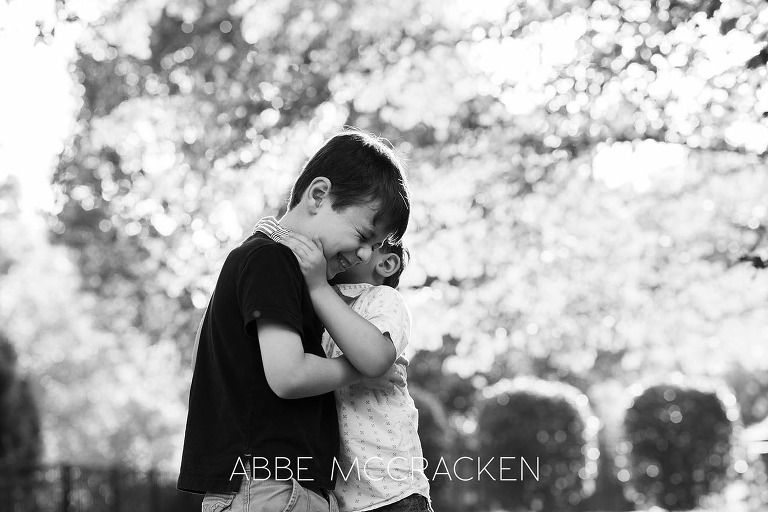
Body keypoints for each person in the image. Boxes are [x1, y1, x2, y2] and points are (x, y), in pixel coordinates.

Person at [177, 130, 411, 512]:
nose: (366, 252)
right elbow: (289, 376)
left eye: (377, 245)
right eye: (364, 234)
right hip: (272, 487)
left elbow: (204, 357)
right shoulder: (272, 259)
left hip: (268, 487)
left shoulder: (259, 261)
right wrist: (358, 368)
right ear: (318, 195)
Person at [277, 232, 432, 512]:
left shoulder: (382, 298)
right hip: (344, 497)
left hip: (392, 491)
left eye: (367, 244)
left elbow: (374, 355)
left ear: (386, 264)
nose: (350, 250)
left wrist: (317, 286)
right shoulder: (322, 312)